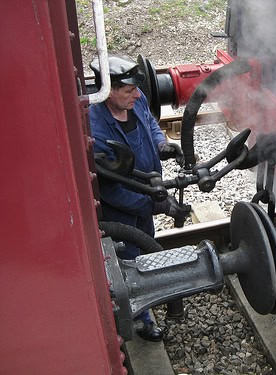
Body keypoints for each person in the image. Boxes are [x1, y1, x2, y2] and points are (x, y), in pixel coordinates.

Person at [89, 55, 186, 342]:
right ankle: (140, 320)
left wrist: (162, 144)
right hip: (121, 212)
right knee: (129, 265)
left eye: (136, 88)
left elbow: (151, 122)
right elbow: (111, 190)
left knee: (144, 253)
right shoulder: (96, 129)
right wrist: (157, 204)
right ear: (108, 89)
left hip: (144, 203)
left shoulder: (136, 99)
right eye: (128, 89)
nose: (137, 94)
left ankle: (143, 308)